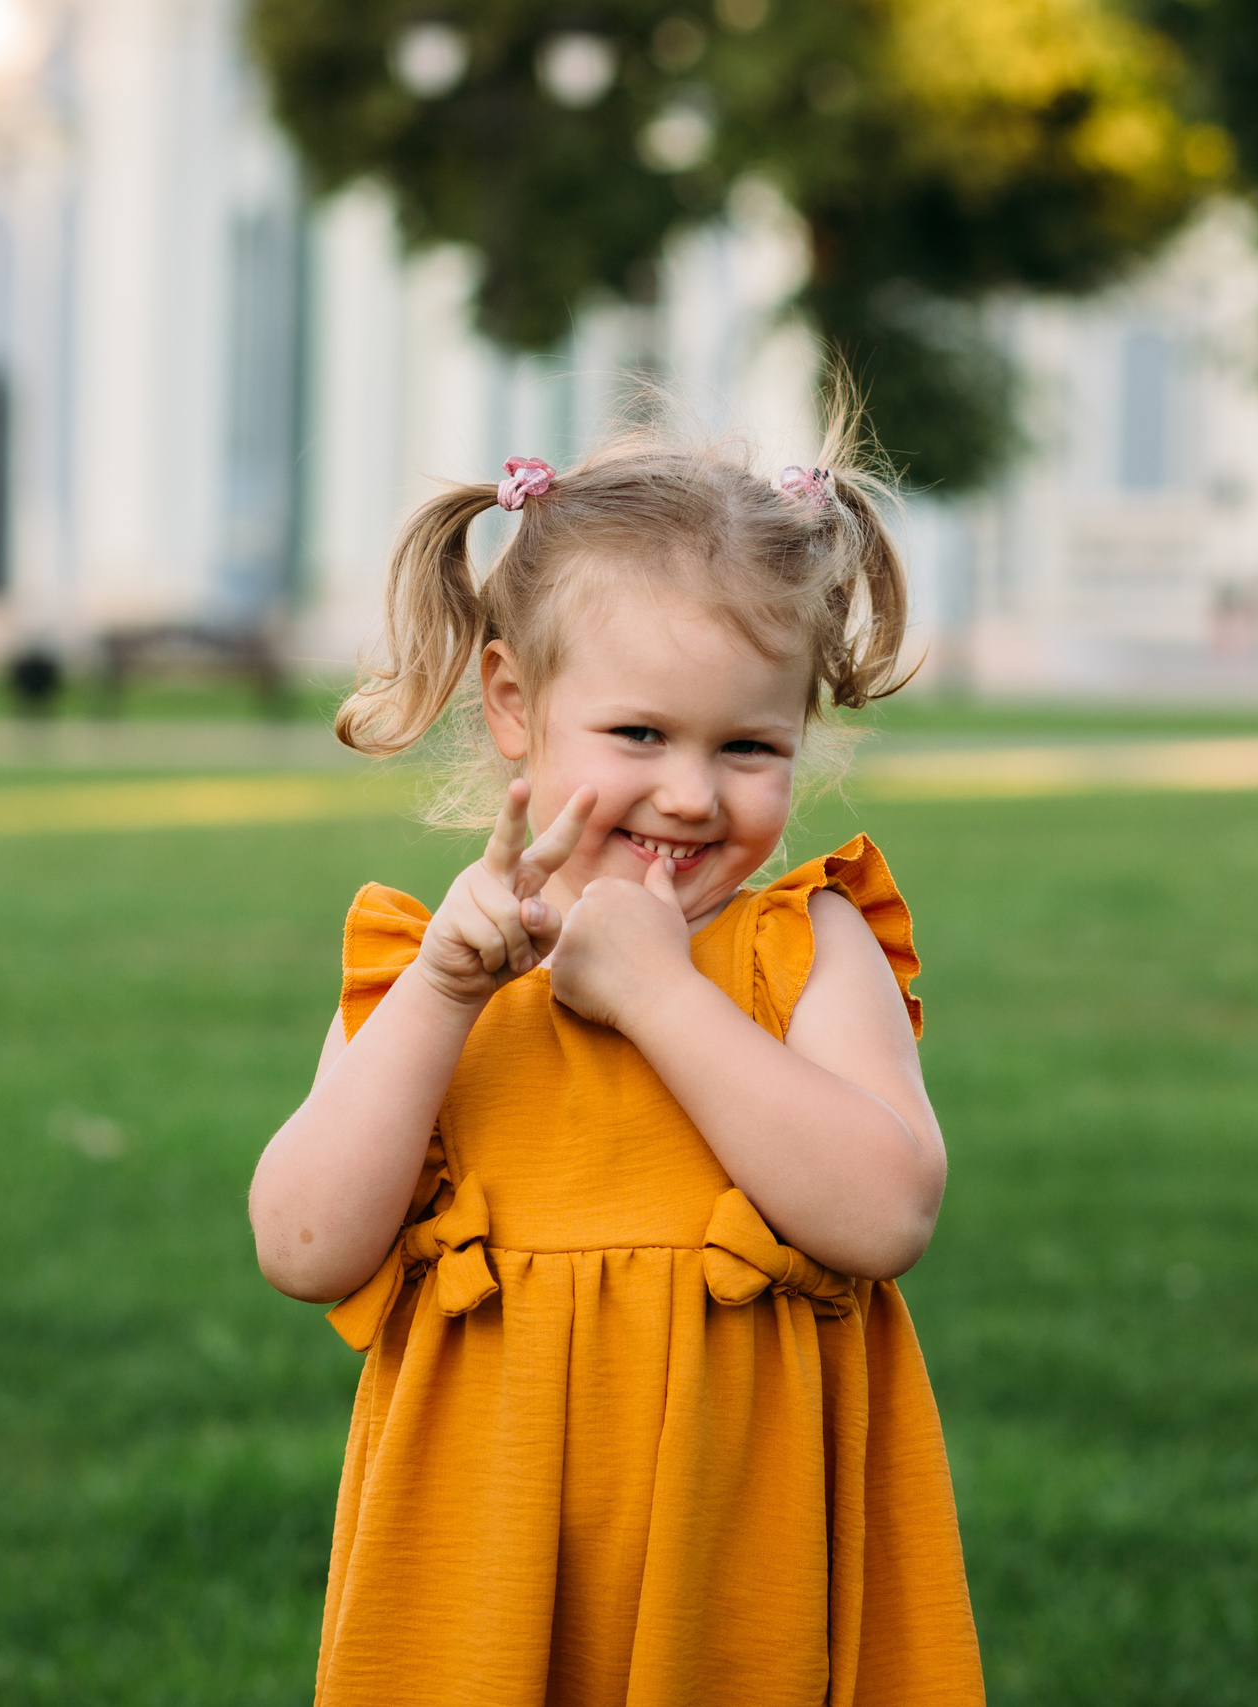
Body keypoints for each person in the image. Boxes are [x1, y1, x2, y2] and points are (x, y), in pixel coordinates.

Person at [250, 417, 984, 1706]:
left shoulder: (802, 945)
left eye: (747, 748)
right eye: (640, 735)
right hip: (489, 1564)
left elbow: (887, 1212)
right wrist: (438, 1000)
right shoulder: (436, 969)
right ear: (516, 707)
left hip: (732, 1567)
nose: (694, 797)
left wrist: (660, 995)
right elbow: (305, 1249)